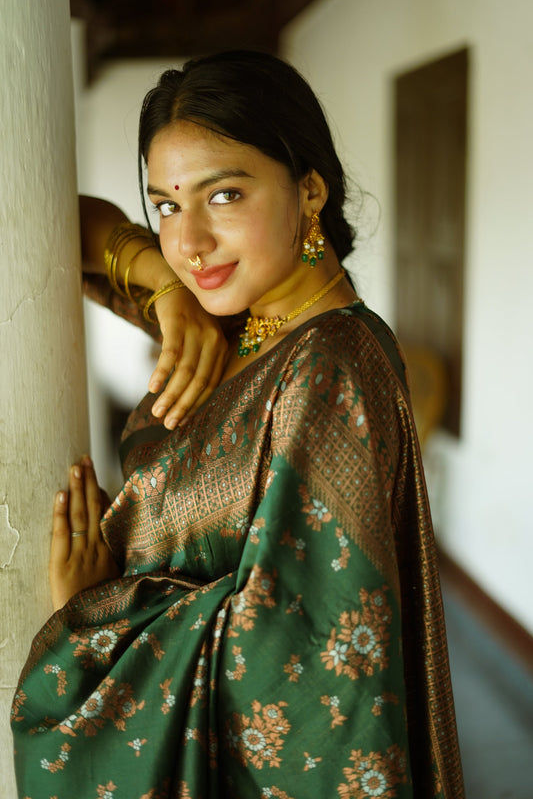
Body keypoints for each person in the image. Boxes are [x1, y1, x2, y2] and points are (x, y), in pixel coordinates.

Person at [11, 50, 464, 798]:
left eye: (223, 195)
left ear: (309, 189)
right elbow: (60, 223)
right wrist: (162, 289)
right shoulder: (236, 328)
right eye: (165, 204)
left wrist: (99, 617)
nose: (188, 243)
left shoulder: (329, 367)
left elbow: (303, 657)